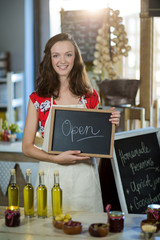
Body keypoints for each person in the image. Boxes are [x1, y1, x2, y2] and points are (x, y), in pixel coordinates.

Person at [22, 33, 120, 214]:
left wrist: (112, 123)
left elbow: (97, 139)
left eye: (68, 54)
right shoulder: (37, 99)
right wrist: (55, 158)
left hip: (84, 179)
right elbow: (27, 147)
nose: (62, 60)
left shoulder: (90, 97)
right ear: (49, 59)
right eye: (56, 55)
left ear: (75, 58)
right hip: (51, 175)